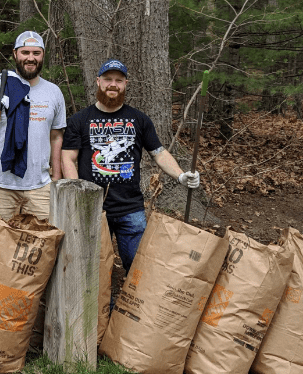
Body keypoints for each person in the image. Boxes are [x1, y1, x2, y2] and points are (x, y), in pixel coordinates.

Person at [61, 58, 200, 274]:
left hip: (131, 207)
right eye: (108, 79)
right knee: (92, 269)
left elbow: (159, 152)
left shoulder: (139, 120)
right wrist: (78, 195)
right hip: (94, 206)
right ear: (98, 81)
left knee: (137, 267)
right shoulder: (80, 119)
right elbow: (68, 159)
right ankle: (101, 306)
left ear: (126, 83)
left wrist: (181, 176)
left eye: (119, 79)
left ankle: (133, 305)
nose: (113, 84)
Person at [0, 31, 66, 222]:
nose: (30, 58)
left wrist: (56, 178)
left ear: (43, 55)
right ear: (15, 54)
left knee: (42, 247)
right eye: (25, 52)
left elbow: (56, 137)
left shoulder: (54, 93)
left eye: (36, 53)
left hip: (41, 189)